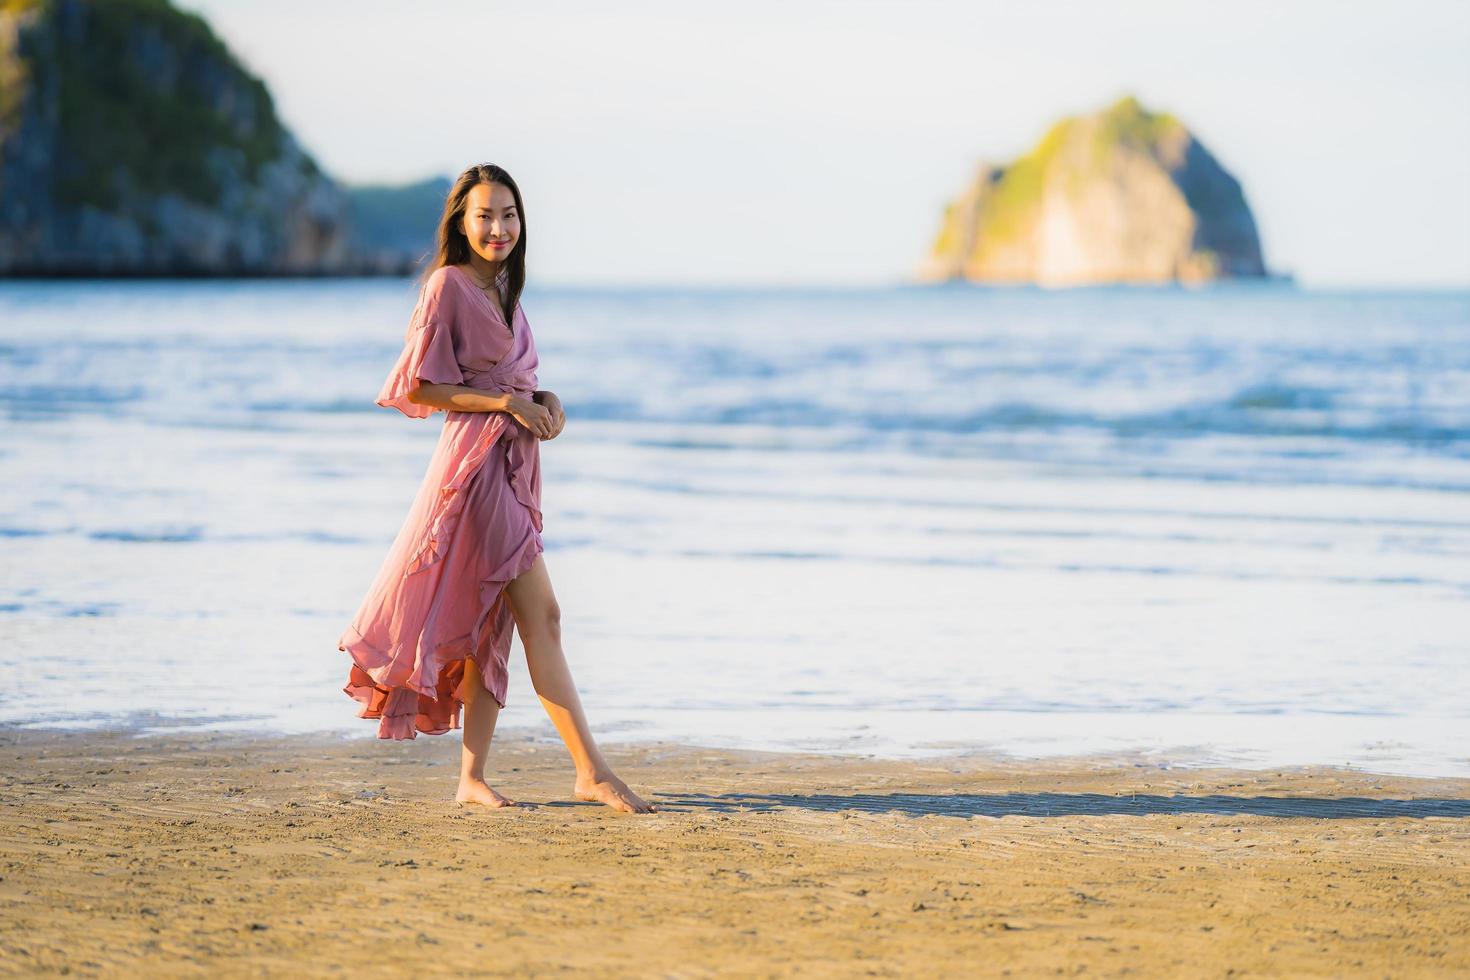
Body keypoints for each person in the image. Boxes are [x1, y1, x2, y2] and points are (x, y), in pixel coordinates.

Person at [338, 163, 656, 814]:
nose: (499, 227)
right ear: (461, 220)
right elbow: (419, 387)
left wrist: (543, 398)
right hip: (476, 470)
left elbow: (513, 377)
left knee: (495, 625)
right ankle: (590, 770)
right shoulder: (447, 286)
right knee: (545, 616)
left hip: (512, 466)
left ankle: (470, 779)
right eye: (484, 215)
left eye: (509, 214)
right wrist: (506, 407)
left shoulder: (506, 288)